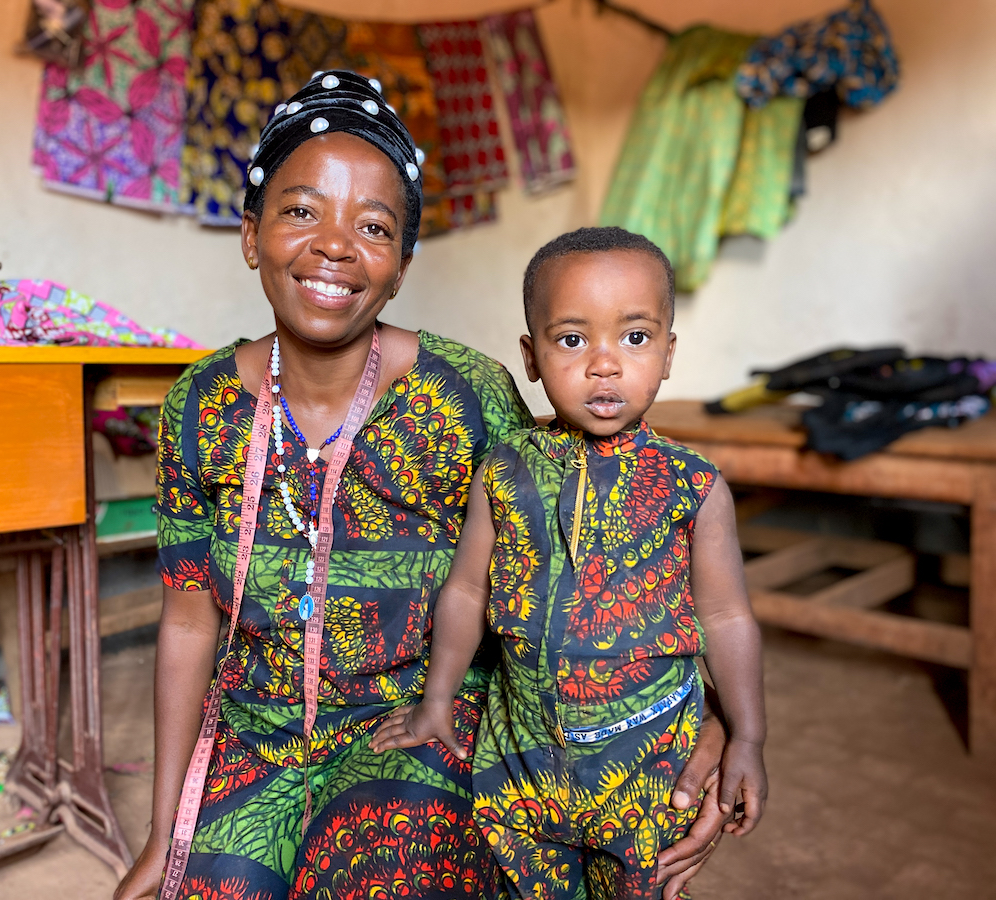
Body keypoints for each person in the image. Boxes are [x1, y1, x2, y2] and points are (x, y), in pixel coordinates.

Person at [114, 74, 732, 900]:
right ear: (250, 233)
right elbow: (189, 618)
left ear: (402, 267)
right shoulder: (197, 405)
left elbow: (608, 558)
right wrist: (167, 834)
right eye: (301, 211)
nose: (334, 245)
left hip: (415, 725)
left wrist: (710, 720)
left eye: (373, 227)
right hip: (256, 733)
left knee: (389, 866)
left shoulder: (467, 394)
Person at [370, 227, 767, 899]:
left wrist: (749, 737)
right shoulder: (504, 473)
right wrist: (436, 699)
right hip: (520, 763)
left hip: (649, 770)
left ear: (669, 354)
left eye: (635, 338)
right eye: (573, 340)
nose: (604, 364)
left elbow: (727, 618)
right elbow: (467, 591)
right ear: (531, 355)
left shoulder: (694, 486)